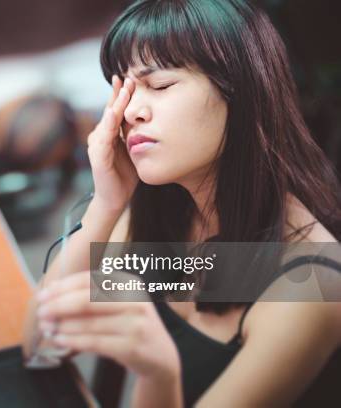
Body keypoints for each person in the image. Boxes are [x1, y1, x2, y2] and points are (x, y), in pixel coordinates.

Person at [21, 0, 341, 406]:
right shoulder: (161, 207)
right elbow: (42, 346)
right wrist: (105, 205)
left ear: (241, 92)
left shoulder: (311, 286)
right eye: (124, 89)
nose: (132, 112)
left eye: (159, 86)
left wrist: (159, 373)